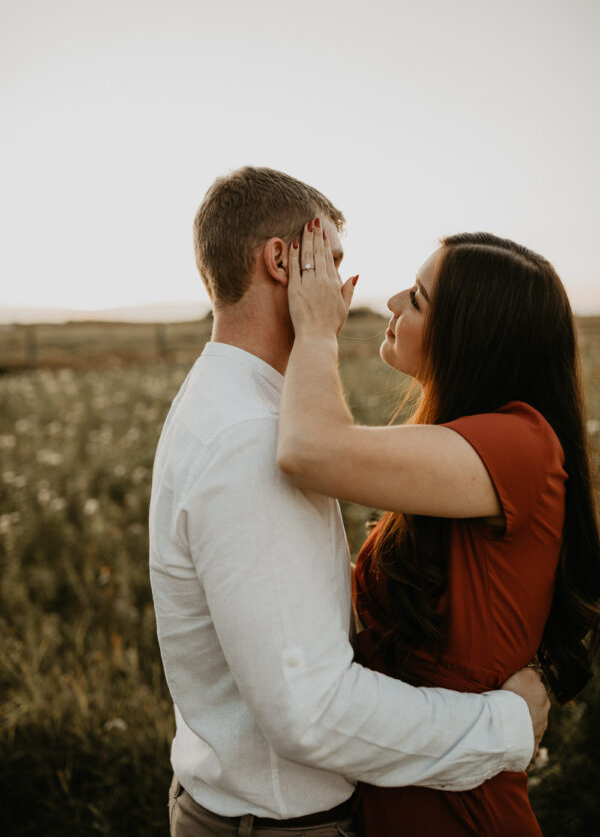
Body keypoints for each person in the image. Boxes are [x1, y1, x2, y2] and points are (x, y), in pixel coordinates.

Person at [149, 167, 549, 837]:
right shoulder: (251, 438)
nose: (343, 285)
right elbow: (313, 712)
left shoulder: (224, 399)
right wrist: (501, 727)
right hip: (281, 824)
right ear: (282, 261)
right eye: (330, 260)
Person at [277, 221, 600, 836]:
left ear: (471, 337)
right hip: (402, 787)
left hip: (459, 810)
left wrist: (315, 331)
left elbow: (309, 449)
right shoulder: (471, 442)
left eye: (418, 298)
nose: (394, 302)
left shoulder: (520, 444)